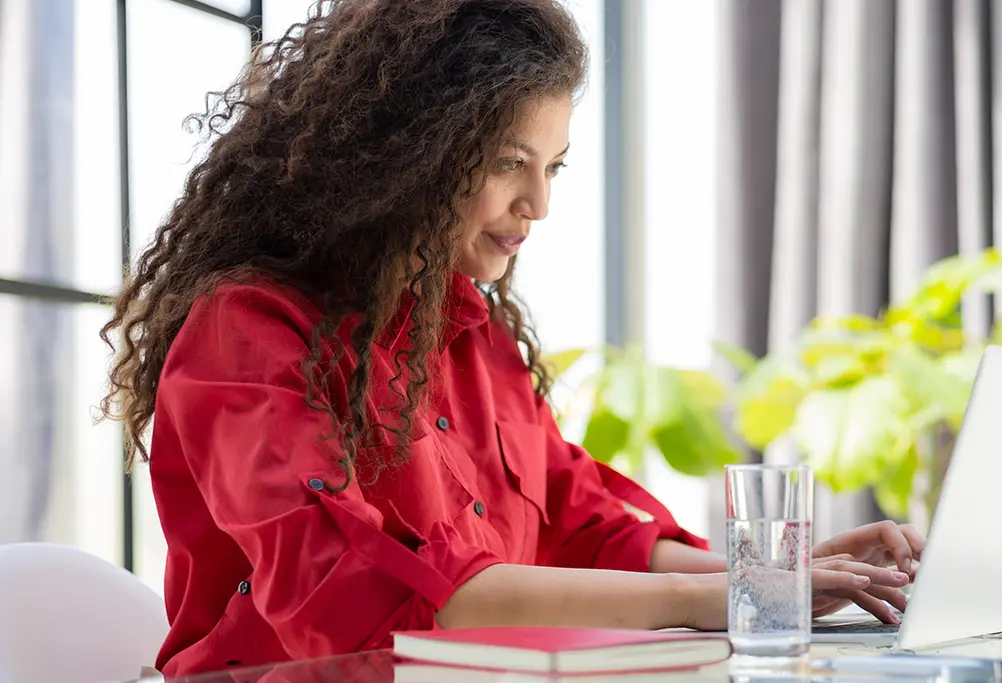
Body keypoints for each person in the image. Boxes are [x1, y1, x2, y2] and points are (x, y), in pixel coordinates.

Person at [100, 0, 924, 676]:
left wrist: (780, 579)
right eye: (506, 162)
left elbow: (591, 528)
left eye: (554, 167)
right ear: (405, 154)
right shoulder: (245, 333)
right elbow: (363, 602)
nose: (539, 203)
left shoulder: (471, 330)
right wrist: (730, 597)